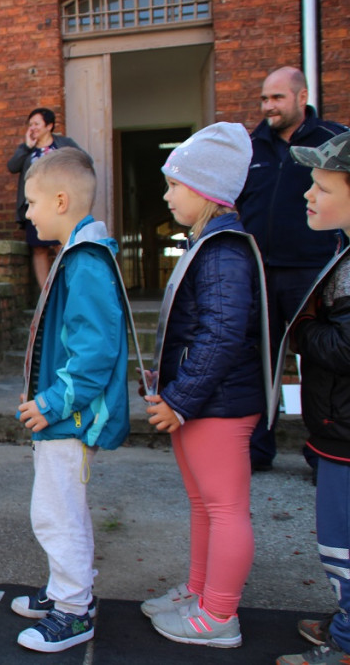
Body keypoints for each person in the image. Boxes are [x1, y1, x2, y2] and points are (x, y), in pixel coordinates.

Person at [140, 123, 265, 649]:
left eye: (175, 185)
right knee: (205, 504)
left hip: (217, 404)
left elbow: (222, 335)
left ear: (206, 189)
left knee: (224, 508)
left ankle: (218, 615)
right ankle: (199, 592)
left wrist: (180, 400)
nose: (167, 195)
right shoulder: (209, 245)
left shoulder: (222, 251)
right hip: (202, 402)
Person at [11, 148, 129, 653]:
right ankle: (66, 589)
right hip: (63, 414)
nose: (27, 213)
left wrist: (52, 403)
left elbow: (94, 351)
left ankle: (74, 610)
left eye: (32, 202)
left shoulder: (84, 261)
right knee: (60, 510)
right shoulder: (76, 255)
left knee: (58, 515)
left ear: (61, 201)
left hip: (71, 418)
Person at [237, 67, 349, 473]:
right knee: (258, 361)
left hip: (312, 272)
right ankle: (257, 450)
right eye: (264, 98)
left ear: (301, 98)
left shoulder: (331, 140)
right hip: (260, 272)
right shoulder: (251, 147)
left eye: (277, 98)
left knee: (318, 362)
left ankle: (324, 453)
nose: (268, 106)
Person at [275, 131, 350, 665]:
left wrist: (301, 329)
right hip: (337, 427)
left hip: (345, 432)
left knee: (343, 542)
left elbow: (345, 345)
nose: (308, 194)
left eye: (322, 187)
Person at [7, 108, 83, 290]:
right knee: (39, 248)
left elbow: (84, 160)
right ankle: (45, 293)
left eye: (37, 124)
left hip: (58, 204)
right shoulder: (27, 149)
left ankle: (69, 287)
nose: (32, 128)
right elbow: (12, 166)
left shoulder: (64, 144)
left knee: (61, 245)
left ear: (49, 126)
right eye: (30, 124)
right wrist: (27, 146)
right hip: (35, 206)